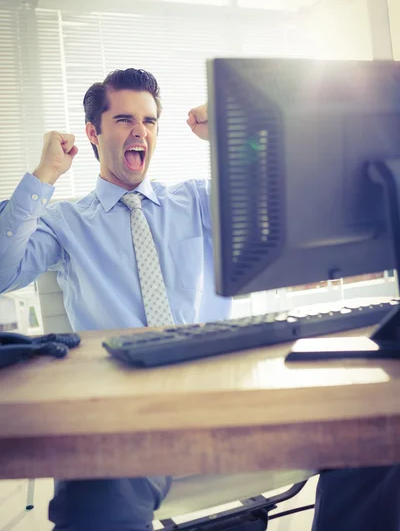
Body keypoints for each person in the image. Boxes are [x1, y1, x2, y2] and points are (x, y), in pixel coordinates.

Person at [0, 68, 399, 531]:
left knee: (380, 438)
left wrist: (235, 137)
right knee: (93, 496)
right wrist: (45, 173)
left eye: (149, 121)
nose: (139, 132)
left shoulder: (197, 200)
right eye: (125, 119)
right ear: (93, 132)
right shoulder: (64, 221)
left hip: (229, 390)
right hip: (127, 410)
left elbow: (283, 205)